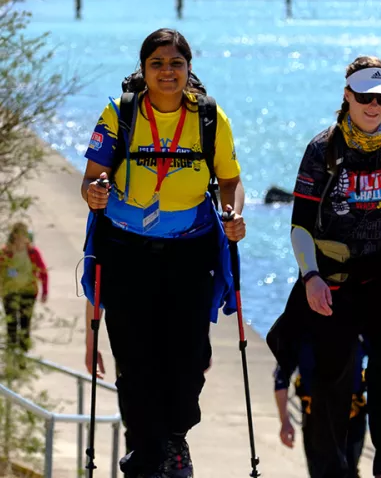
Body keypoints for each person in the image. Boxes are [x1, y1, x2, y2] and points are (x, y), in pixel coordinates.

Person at [268, 55, 381, 478]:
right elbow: (300, 225)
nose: (373, 107)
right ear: (347, 94)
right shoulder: (322, 150)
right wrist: (310, 276)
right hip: (334, 276)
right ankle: (333, 470)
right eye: (365, 97)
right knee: (331, 376)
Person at [81, 28, 245, 478]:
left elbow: (229, 179)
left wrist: (232, 211)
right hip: (127, 249)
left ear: (189, 69)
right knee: (134, 358)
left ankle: (175, 437)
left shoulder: (211, 118)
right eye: (157, 64)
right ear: (144, 70)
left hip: (189, 251)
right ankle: (147, 453)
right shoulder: (119, 114)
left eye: (175, 64)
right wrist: (95, 193)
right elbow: (92, 177)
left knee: (189, 356)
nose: (167, 72)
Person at [274, 337, 367, 478]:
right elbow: (281, 379)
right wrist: (284, 421)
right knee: (320, 472)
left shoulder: (358, 325)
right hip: (316, 418)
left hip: (352, 416)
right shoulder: (298, 332)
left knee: (349, 471)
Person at [0, 222, 49, 352]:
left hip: (28, 293)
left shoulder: (33, 252)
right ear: (15, 235)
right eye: (21, 235)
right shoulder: (5, 252)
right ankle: (11, 358)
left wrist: (45, 291)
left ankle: (22, 359)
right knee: (11, 325)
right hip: (9, 293)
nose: (23, 238)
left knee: (25, 326)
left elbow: (43, 271)